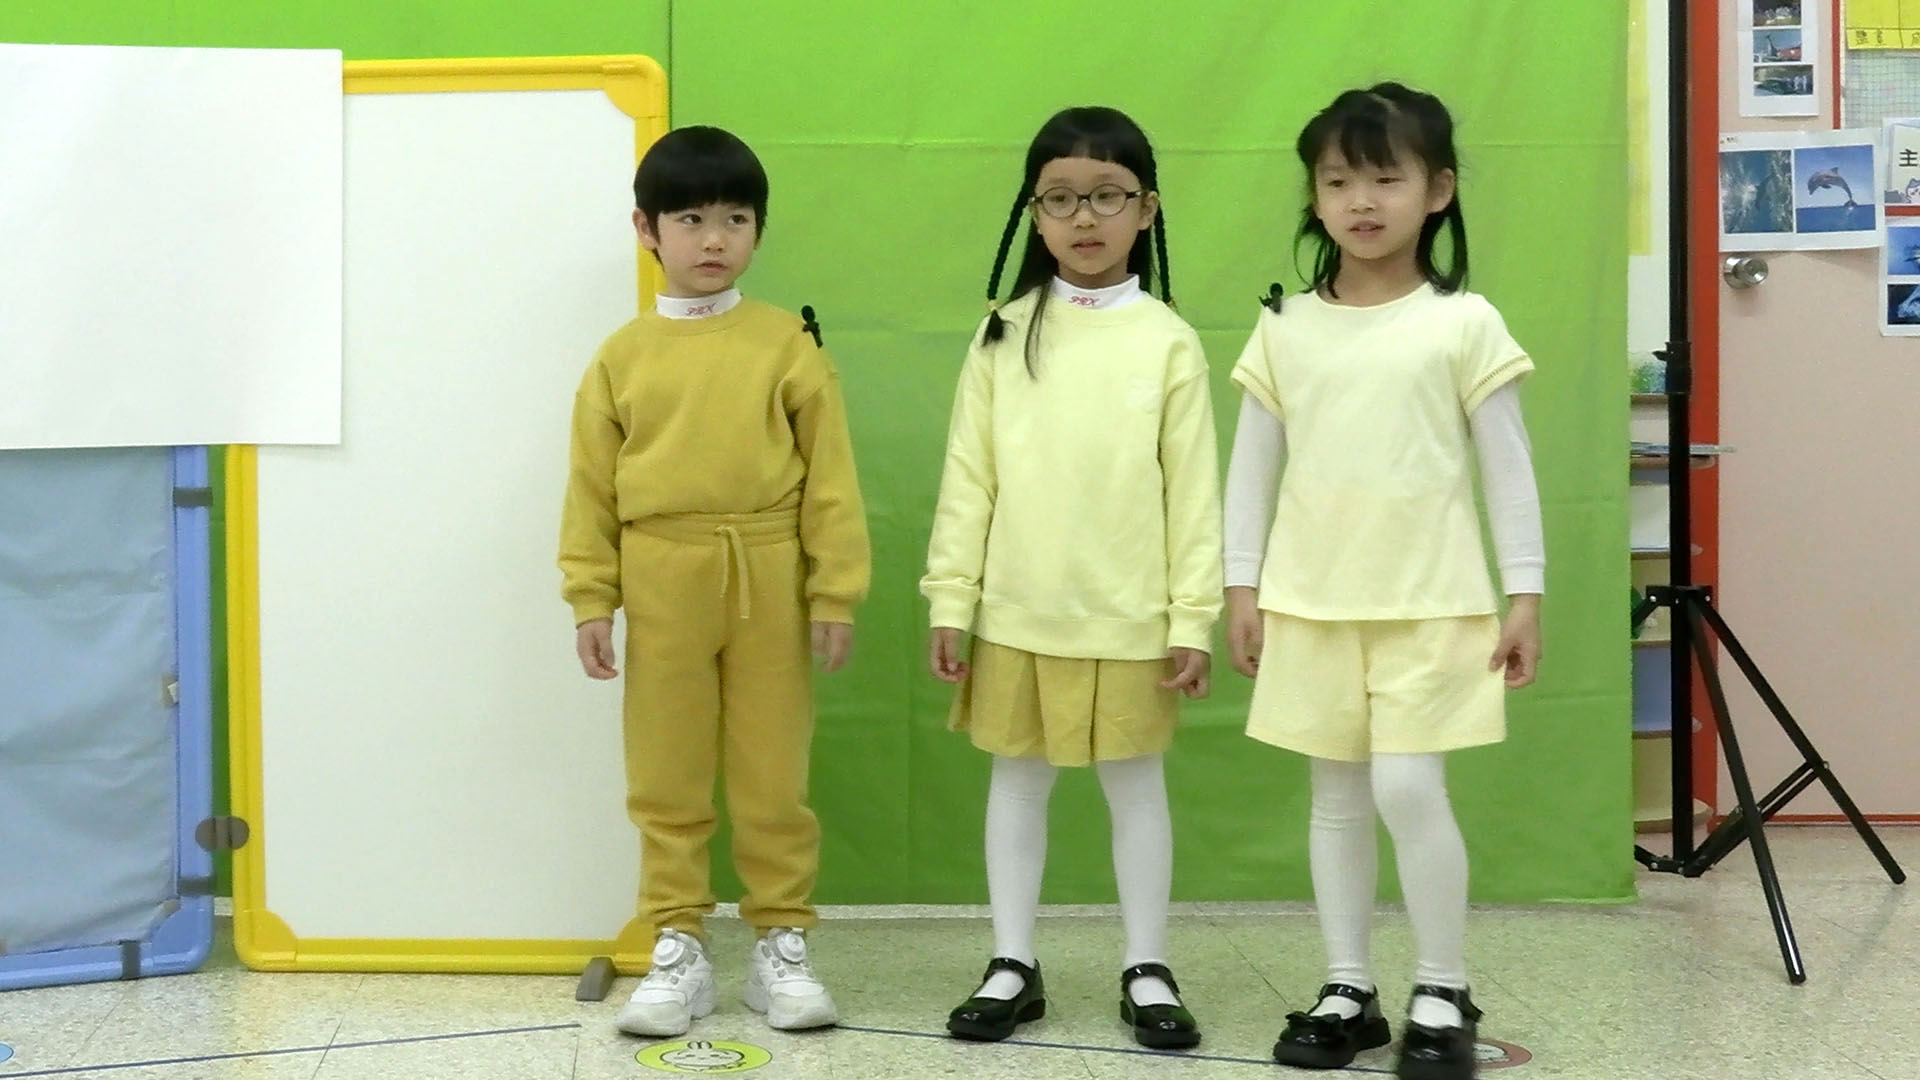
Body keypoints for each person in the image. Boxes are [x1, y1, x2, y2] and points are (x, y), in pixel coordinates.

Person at [1222, 84, 1544, 1080]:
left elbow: (1508, 468)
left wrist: (1525, 593)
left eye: (1386, 178)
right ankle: (1348, 987)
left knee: (1408, 786)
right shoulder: (1285, 327)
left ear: (1437, 191)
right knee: (1335, 800)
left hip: (1434, 601)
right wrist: (1241, 587)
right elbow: (1250, 470)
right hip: (1310, 601)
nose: (1361, 201)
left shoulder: (1464, 322)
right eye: (1337, 182)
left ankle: (1441, 987)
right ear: (1315, 198)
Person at [558, 125, 869, 1038]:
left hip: (768, 573)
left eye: (735, 219)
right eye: (690, 219)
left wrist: (834, 591)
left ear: (758, 231)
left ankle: (781, 944)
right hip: (661, 577)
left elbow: (832, 478)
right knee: (668, 771)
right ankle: (677, 945)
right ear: (646, 229)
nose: (713, 239)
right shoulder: (621, 356)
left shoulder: (785, 344)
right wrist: (591, 597)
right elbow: (590, 489)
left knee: (774, 772)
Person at [922, 105, 1222, 1051]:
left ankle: (1148, 966)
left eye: (1106, 196)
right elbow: (969, 478)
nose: (1084, 217)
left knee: (1137, 789)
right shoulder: (1002, 335)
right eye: (1060, 199)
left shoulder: (1169, 340)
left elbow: (1195, 496)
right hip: (1018, 608)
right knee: (1017, 782)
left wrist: (1192, 618)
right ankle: (1012, 961)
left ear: (1147, 209)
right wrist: (951, 599)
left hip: (1133, 615)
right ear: (1034, 214)